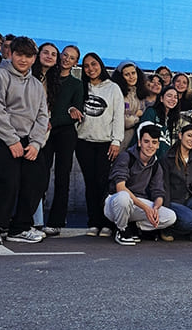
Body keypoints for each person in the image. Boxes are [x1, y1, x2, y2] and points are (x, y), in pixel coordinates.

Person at [0, 36, 50, 245]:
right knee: (6, 180)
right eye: (19, 55)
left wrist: (36, 143)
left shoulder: (36, 84)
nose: (23, 60)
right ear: (11, 54)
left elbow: (42, 115)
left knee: (37, 179)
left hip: (27, 139)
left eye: (28, 56)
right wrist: (11, 140)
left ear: (34, 58)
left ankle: (20, 227)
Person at [76, 52, 124, 237]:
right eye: (86, 66)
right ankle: (93, 222)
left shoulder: (113, 88)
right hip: (83, 142)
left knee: (103, 183)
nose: (90, 69)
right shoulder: (81, 87)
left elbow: (118, 116)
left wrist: (116, 141)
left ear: (101, 65)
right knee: (90, 183)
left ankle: (107, 223)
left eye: (94, 64)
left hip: (106, 143)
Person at [105, 124, 177, 245]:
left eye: (154, 142)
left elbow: (158, 193)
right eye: (146, 141)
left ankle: (134, 226)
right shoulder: (126, 157)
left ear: (158, 145)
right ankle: (122, 230)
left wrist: (155, 208)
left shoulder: (155, 165)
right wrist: (146, 208)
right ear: (139, 142)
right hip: (114, 202)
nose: (150, 146)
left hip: (137, 203)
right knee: (124, 197)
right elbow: (120, 187)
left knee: (170, 216)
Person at [45, 45, 84, 233]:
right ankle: (34, 219)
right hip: (44, 132)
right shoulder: (47, 78)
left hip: (65, 134)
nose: (67, 59)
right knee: (40, 176)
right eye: (65, 55)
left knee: (62, 177)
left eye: (72, 58)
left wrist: (54, 121)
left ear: (76, 63)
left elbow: (77, 113)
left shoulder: (76, 84)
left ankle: (56, 221)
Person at [30, 42, 61, 234]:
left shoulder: (53, 80)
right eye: (46, 52)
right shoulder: (29, 75)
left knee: (39, 179)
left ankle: (36, 222)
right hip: (25, 131)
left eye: (53, 54)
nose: (49, 56)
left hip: (43, 134)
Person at [113, 61, 147, 150]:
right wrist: (137, 117)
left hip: (135, 141)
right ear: (121, 77)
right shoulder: (118, 94)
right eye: (127, 74)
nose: (131, 77)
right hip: (120, 142)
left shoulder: (141, 93)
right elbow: (122, 121)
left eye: (133, 73)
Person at [140, 85, 182, 158]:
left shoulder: (172, 120)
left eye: (175, 97)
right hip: (147, 159)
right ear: (161, 98)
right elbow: (143, 136)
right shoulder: (151, 112)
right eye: (169, 96)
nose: (173, 99)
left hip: (163, 161)